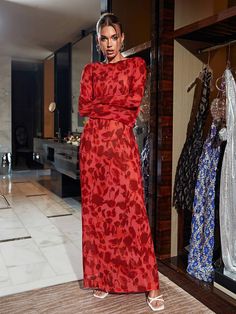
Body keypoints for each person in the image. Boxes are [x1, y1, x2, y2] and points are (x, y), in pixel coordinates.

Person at [78, 12, 164, 312]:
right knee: (99, 215)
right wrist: (110, 105)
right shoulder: (90, 71)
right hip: (93, 151)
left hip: (121, 148)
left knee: (132, 212)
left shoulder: (135, 66)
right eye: (104, 38)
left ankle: (150, 283)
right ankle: (104, 277)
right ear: (99, 42)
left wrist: (104, 107)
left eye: (114, 37)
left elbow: (130, 110)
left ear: (122, 38)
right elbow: (83, 107)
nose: (110, 43)